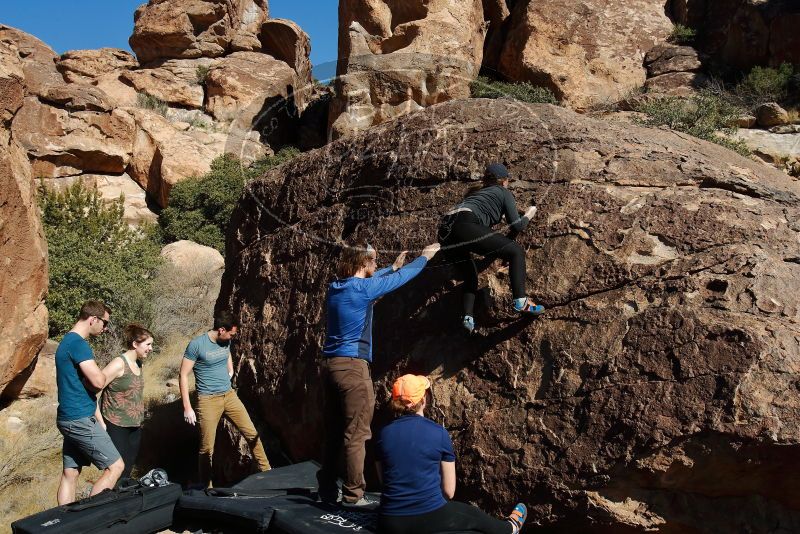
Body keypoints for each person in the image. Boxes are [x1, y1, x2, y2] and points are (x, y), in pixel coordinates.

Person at [317, 241, 441, 507]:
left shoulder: (335, 287)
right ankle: (353, 495)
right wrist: (424, 258)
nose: (376, 264)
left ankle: (326, 489)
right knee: (357, 434)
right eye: (373, 261)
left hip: (330, 366)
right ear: (363, 263)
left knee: (335, 431)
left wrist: (389, 267)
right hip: (352, 368)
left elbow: (380, 278)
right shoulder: (363, 289)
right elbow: (402, 279)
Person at [376, 374, 527, 534]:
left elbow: (384, 482)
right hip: (429, 515)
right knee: (472, 515)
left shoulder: (382, 434)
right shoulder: (438, 433)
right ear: (424, 400)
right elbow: (449, 491)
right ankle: (511, 528)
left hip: (390, 521)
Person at [438, 162, 544, 333]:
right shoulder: (503, 191)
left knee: (470, 275)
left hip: (445, 230)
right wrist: (529, 215)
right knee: (515, 251)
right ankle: (521, 301)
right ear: (504, 181)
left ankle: (468, 318)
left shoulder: (477, 194)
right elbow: (516, 226)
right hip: (465, 224)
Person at [180, 310, 271, 487]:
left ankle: (267, 471)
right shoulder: (197, 345)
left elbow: (227, 354)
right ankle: (206, 486)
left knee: (252, 433)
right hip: (207, 400)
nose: (232, 337)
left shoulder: (225, 342)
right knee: (207, 448)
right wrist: (187, 407)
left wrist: (230, 370)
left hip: (229, 396)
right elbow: (183, 375)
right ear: (221, 329)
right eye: (231, 333)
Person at [55, 300, 125, 505]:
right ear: (93, 319)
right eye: (105, 323)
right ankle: (91, 519)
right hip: (80, 419)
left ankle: (64, 522)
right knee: (116, 467)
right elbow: (99, 381)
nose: (105, 328)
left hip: (68, 417)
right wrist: (96, 380)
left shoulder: (65, 342)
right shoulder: (78, 344)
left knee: (71, 473)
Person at [95, 324, 153, 482]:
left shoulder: (139, 364)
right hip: (115, 424)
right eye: (148, 344)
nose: (151, 348)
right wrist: (100, 421)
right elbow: (95, 389)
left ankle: (120, 502)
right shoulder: (118, 364)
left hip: (134, 425)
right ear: (135, 344)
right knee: (115, 471)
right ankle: (105, 502)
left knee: (127, 468)